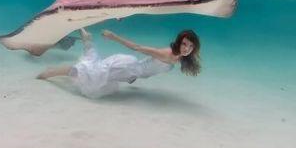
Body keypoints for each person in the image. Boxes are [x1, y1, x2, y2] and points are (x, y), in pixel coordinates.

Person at [36, 27, 201, 98]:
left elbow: (149, 69)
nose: (187, 48)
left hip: (131, 73)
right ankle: (50, 72)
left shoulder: (180, 57)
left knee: (96, 68)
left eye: (190, 46)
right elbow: (137, 47)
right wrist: (113, 36)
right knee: (90, 73)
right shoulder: (167, 54)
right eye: (185, 44)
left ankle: (87, 40)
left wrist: (136, 76)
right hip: (128, 68)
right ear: (179, 42)